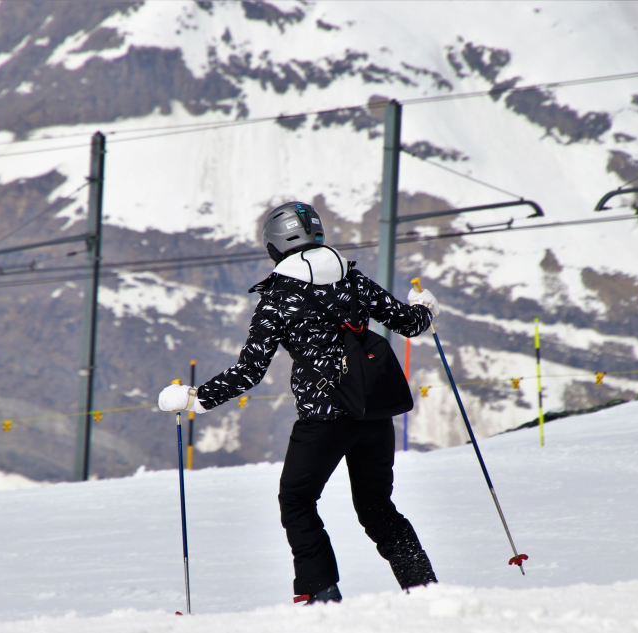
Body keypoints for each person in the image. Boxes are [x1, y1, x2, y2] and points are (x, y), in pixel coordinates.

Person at [158, 201, 440, 604]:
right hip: (374, 414)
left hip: (323, 421)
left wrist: (196, 398)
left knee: (297, 501)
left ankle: (320, 590)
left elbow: (249, 371)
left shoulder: (278, 297)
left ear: (276, 245)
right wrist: (424, 306)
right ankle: (423, 587)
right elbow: (409, 323)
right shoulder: (352, 279)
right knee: (377, 507)